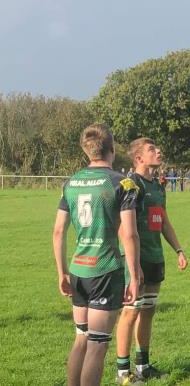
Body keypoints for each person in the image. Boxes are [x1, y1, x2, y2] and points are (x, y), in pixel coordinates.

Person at [52, 124, 140, 386]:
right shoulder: (123, 183)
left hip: (78, 269)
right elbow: (130, 234)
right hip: (105, 269)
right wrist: (133, 276)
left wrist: (61, 272)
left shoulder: (72, 182)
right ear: (112, 148)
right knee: (97, 345)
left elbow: (58, 231)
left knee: (81, 339)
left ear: (86, 151)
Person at [116, 138, 188, 384]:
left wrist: (178, 249)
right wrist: (133, 264)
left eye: (157, 147)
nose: (158, 151)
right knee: (130, 313)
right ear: (139, 159)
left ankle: (143, 366)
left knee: (148, 311)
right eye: (151, 150)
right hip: (136, 259)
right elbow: (122, 228)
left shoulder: (158, 186)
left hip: (155, 257)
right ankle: (122, 372)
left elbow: (164, 221)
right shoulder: (130, 185)